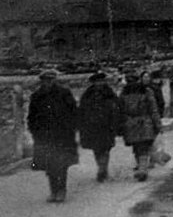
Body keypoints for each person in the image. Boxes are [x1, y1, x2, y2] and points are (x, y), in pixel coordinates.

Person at [27, 69, 78, 202]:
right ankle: (53, 191)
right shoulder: (37, 96)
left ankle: (61, 190)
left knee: (61, 164)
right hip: (44, 135)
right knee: (49, 165)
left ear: (55, 80)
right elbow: (31, 117)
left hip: (63, 134)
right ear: (42, 81)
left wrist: (71, 128)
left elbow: (73, 112)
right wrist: (34, 131)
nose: (48, 82)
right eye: (46, 80)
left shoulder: (64, 93)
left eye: (51, 80)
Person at [77, 71, 123, 182]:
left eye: (101, 81)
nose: (100, 83)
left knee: (105, 148)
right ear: (93, 83)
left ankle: (102, 168)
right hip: (92, 127)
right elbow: (81, 111)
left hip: (107, 126)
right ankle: (102, 168)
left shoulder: (110, 94)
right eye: (97, 81)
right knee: (97, 149)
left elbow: (117, 108)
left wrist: (116, 123)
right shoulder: (87, 95)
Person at [120, 70, 162, 181]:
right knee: (144, 146)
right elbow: (153, 109)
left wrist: (122, 124)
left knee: (137, 146)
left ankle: (141, 167)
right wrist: (158, 124)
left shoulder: (124, 93)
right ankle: (143, 169)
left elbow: (120, 110)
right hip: (145, 121)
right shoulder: (147, 91)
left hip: (130, 123)